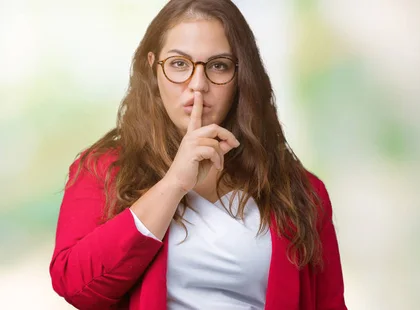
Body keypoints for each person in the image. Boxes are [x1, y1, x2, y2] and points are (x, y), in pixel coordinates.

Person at [48, 0, 346, 309]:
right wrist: (173, 184)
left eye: (219, 65)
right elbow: (76, 286)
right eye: (179, 64)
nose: (198, 85)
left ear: (241, 75)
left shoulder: (302, 192)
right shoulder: (102, 168)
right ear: (153, 66)